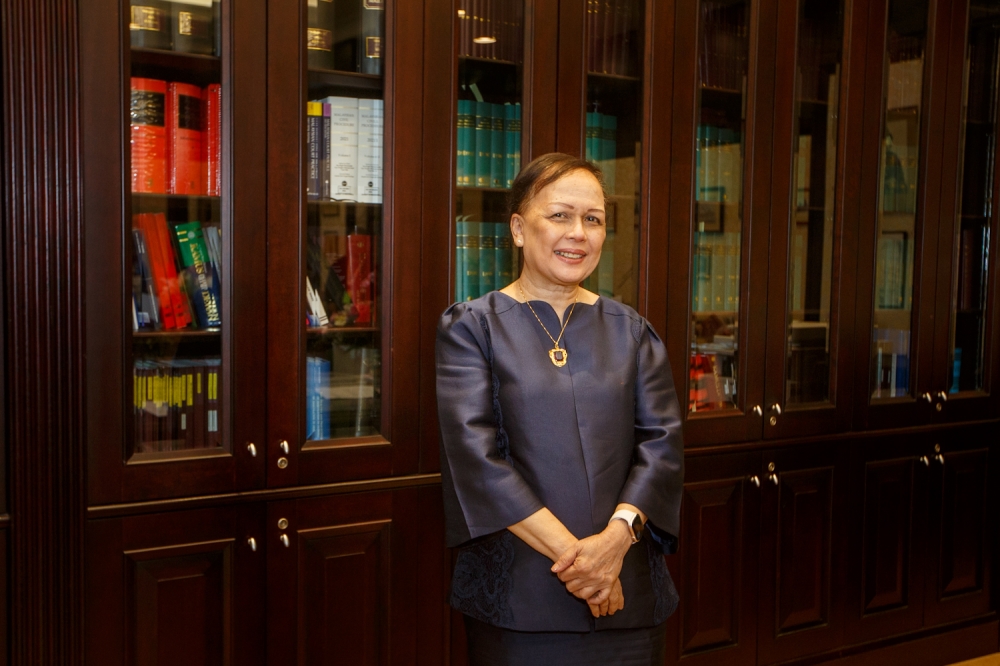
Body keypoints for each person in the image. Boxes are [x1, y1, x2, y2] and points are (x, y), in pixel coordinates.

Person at [436, 152, 683, 665]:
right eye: (560, 215)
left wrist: (613, 547)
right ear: (519, 228)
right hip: (519, 599)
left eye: (593, 219)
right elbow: (477, 460)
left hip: (627, 591)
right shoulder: (472, 328)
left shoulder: (633, 331)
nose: (579, 232)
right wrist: (586, 568)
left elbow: (661, 446)